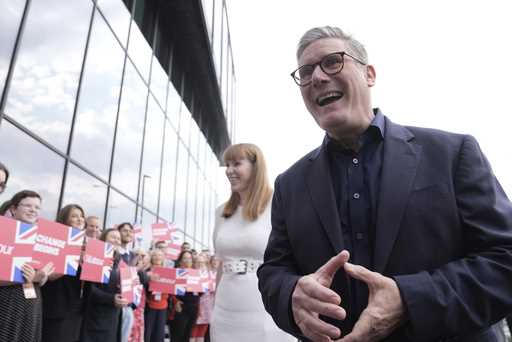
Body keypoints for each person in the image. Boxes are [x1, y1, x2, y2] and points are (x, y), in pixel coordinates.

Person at [257, 26, 512, 342]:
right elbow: (273, 274)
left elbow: (504, 257)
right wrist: (291, 294)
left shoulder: (452, 155)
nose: (318, 78)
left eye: (332, 62)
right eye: (306, 72)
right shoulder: (289, 185)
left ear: (369, 74)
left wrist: (410, 299)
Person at [210, 143, 295, 342]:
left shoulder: (278, 203)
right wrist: (214, 305)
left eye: (236, 164)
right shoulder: (221, 212)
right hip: (225, 310)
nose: (229, 171)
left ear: (255, 167)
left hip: (266, 307)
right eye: (227, 165)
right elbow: (221, 264)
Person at [0, 190, 55, 342]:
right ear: (13, 209)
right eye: (28, 205)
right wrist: (26, 279)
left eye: (37, 207)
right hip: (6, 303)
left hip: (31, 304)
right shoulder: (2, 231)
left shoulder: (41, 238)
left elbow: (40, 279)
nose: (33, 210)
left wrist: (41, 277)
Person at [42, 204, 86, 342]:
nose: (80, 219)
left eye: (81, 216)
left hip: (75, 308)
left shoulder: (85, 244)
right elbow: (49, 275)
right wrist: (73, 259)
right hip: (56, 306)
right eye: (74, 216)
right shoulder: (53, 239)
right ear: (64, 219)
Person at [81, 228, 127, 342]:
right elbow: (89, 289)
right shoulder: (95, 256)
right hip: (95, 318)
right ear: (103, 239)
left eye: (118, 238)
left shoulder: (121, 263)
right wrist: (111, 299)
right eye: (113, 237)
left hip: (113, 318)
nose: (116, 240)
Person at [169, 250, 201, 342]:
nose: (187, 260)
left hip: (193, 307)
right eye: (185, 258)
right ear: (180, 260)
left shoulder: (196, 273)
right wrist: (175, 302)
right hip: (180, 307)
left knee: (187, 335)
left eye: (189, 258)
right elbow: (170, 290)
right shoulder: (176, 272)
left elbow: (199, 292)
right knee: (177, 335)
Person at [144, 249, 169, 342]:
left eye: (160, 255)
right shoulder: (146, 271)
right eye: (155, 255)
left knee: (159, 333)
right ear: (151, 257)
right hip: (149, 305)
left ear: (163, 258)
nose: (157, 257)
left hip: (163, 305)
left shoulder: (168, 272)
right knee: (148, 332)